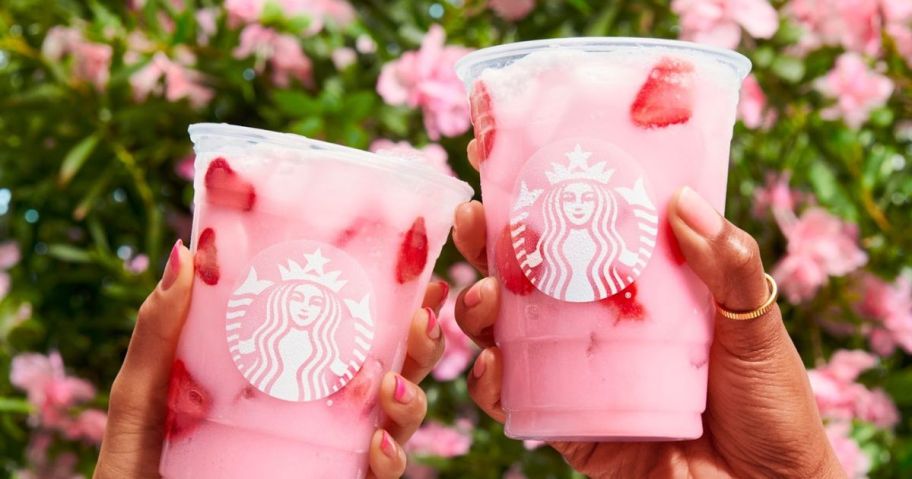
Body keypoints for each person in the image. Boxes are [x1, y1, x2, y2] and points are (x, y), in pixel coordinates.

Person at [451, 139, 846, 478]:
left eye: (587, 196)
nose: (577, 205)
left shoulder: (614, 244)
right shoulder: (545, 247)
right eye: (568, 195)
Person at [93, 241, 448, 479]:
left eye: (316, 303)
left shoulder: (322, 355)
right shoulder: (261, 343)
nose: (305, 309)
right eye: (298, 299)